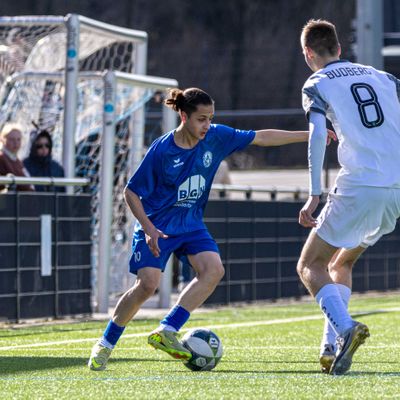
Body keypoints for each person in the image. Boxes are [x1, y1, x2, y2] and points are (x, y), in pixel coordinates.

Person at [88, 87, 334, 371]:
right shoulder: (162, 150)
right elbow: (131, 192)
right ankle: (105, 344)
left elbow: (262, 137)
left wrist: (311, 135)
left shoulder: (216, 136)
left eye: (210, 118)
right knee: (147, 286)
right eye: (201, 119)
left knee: (213, 270)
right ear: (184, 116)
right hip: (157, 225)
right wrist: (148, 228)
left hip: (191, 224)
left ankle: (167, 330)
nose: (207, 125)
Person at [297, 19, 400, 375]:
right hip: (395, 189)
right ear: (340, 48)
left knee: (309, 265)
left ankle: (345, 328)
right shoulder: (385, 78)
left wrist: (314, 194)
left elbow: (316, 135)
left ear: (308, 53)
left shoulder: (317, 82)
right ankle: (331, 347)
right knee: (341, 264)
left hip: (360, 186)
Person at [0, 124, 33, 192]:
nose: (16, 143)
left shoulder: (17, 160)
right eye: (12, 139)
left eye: (18, 139)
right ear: (3, 139)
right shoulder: (2, 158)